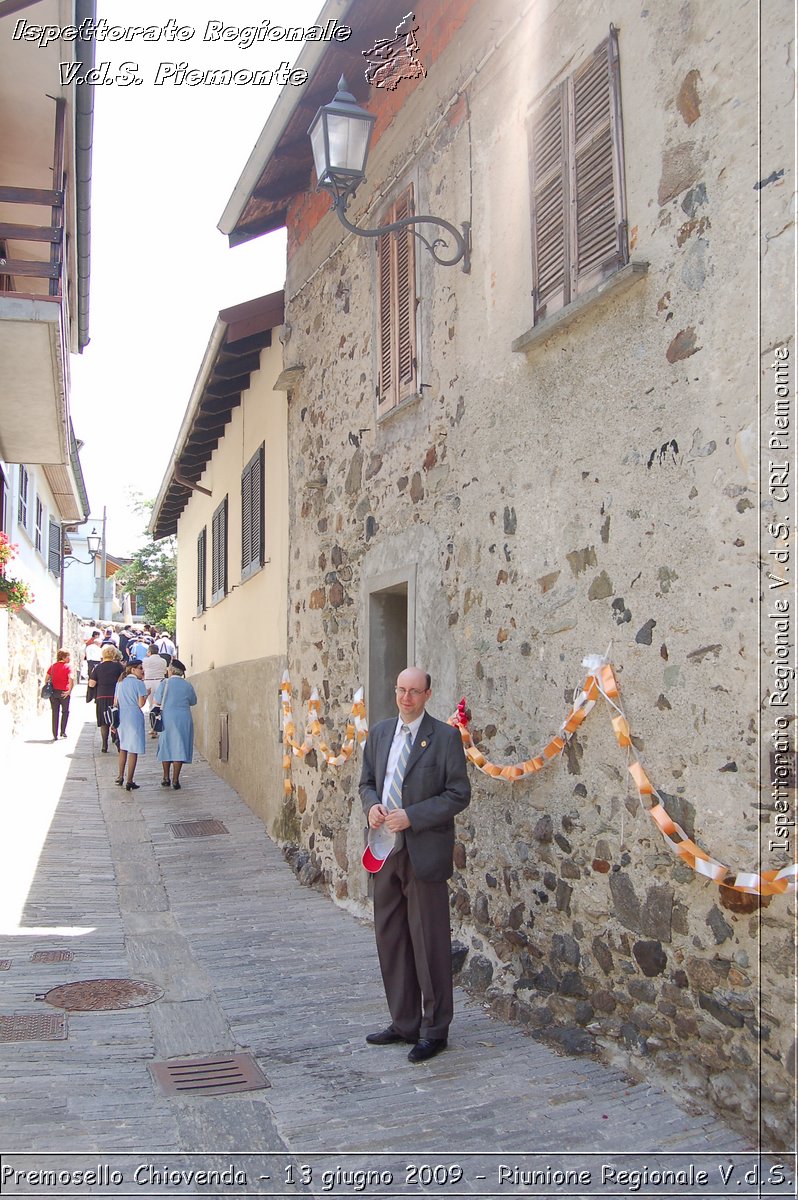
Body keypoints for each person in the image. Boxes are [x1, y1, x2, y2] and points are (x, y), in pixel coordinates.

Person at [359, 666, 471, 1063]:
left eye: (414, 691)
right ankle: (403, 1022)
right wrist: (372, 805)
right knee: (390, 938)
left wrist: (414, 816)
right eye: (400, 690)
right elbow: (367, 782)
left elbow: (459, 794)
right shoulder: (380, 733)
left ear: (427, 694)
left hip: (424, 851)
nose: (406, 698)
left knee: (429, 942)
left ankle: (435, 1029)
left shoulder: (444, 738)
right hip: (384, 850)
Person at [153, 659, 197, 790]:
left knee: (166, 745)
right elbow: (193, 701)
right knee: (180, 745)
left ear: (171, 670)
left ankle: (165, 777)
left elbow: (158, 700)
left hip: (168, 717)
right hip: (183, 717)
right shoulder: (187, 685)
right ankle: (176, 779)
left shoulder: (165, 683)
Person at [113, 660, 147, 790]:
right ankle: (130, 780)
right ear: (133, 670)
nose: (142, 670)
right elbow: (140, 704)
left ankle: (120, 776)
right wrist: (146, 694)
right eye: (140, 668)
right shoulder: (139, 684)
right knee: (133, 749)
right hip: (134, 716)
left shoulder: (120, 683)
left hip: (122, 716)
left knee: (123, 747)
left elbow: (115, 702)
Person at [87, 644, 124, 752]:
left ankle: (104, 744)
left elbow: (92, 684)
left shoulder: (98, 667)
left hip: (101, 696)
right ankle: (116, 740)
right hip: (115, 696)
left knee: (104, 722)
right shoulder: (118, 666)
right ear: (114, 654)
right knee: (115, 719)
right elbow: (123, 679)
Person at [44, 649, 75, 741]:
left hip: (53, 692)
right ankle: (63, 731)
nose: (69, 658)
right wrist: (69, 690)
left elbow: (46, 678)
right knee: (65, 712)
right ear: (63, 657)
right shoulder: (68, 667)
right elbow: (71, 678)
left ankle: (55, 734)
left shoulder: (52, 666)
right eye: (68, 656)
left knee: (55, 712)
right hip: (64, 692)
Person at [142, 643, 168, 734]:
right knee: (160, 704)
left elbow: (143, 670)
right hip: (160, 681)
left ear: (149, 651)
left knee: (151, 705)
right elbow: (165, 671)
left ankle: (153, 727)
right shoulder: (163, 660)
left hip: (149, 682)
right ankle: (161, 725)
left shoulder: (145, 660)